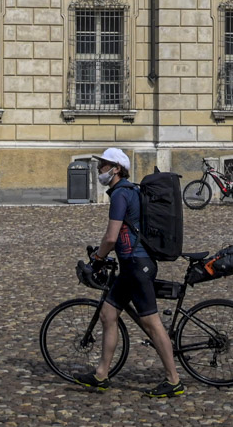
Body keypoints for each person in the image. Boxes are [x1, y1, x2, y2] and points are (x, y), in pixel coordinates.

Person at [84, 147, 183, 398]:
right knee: (108, 313)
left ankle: (173, 380)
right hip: (130, 265)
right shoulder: (128, 190)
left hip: (137, 265)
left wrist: (97, 258)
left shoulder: (120, 194)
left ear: (116, 169)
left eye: (103, 165)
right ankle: (101, 374)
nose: (99, 169)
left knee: (151, 322)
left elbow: (111, 236)